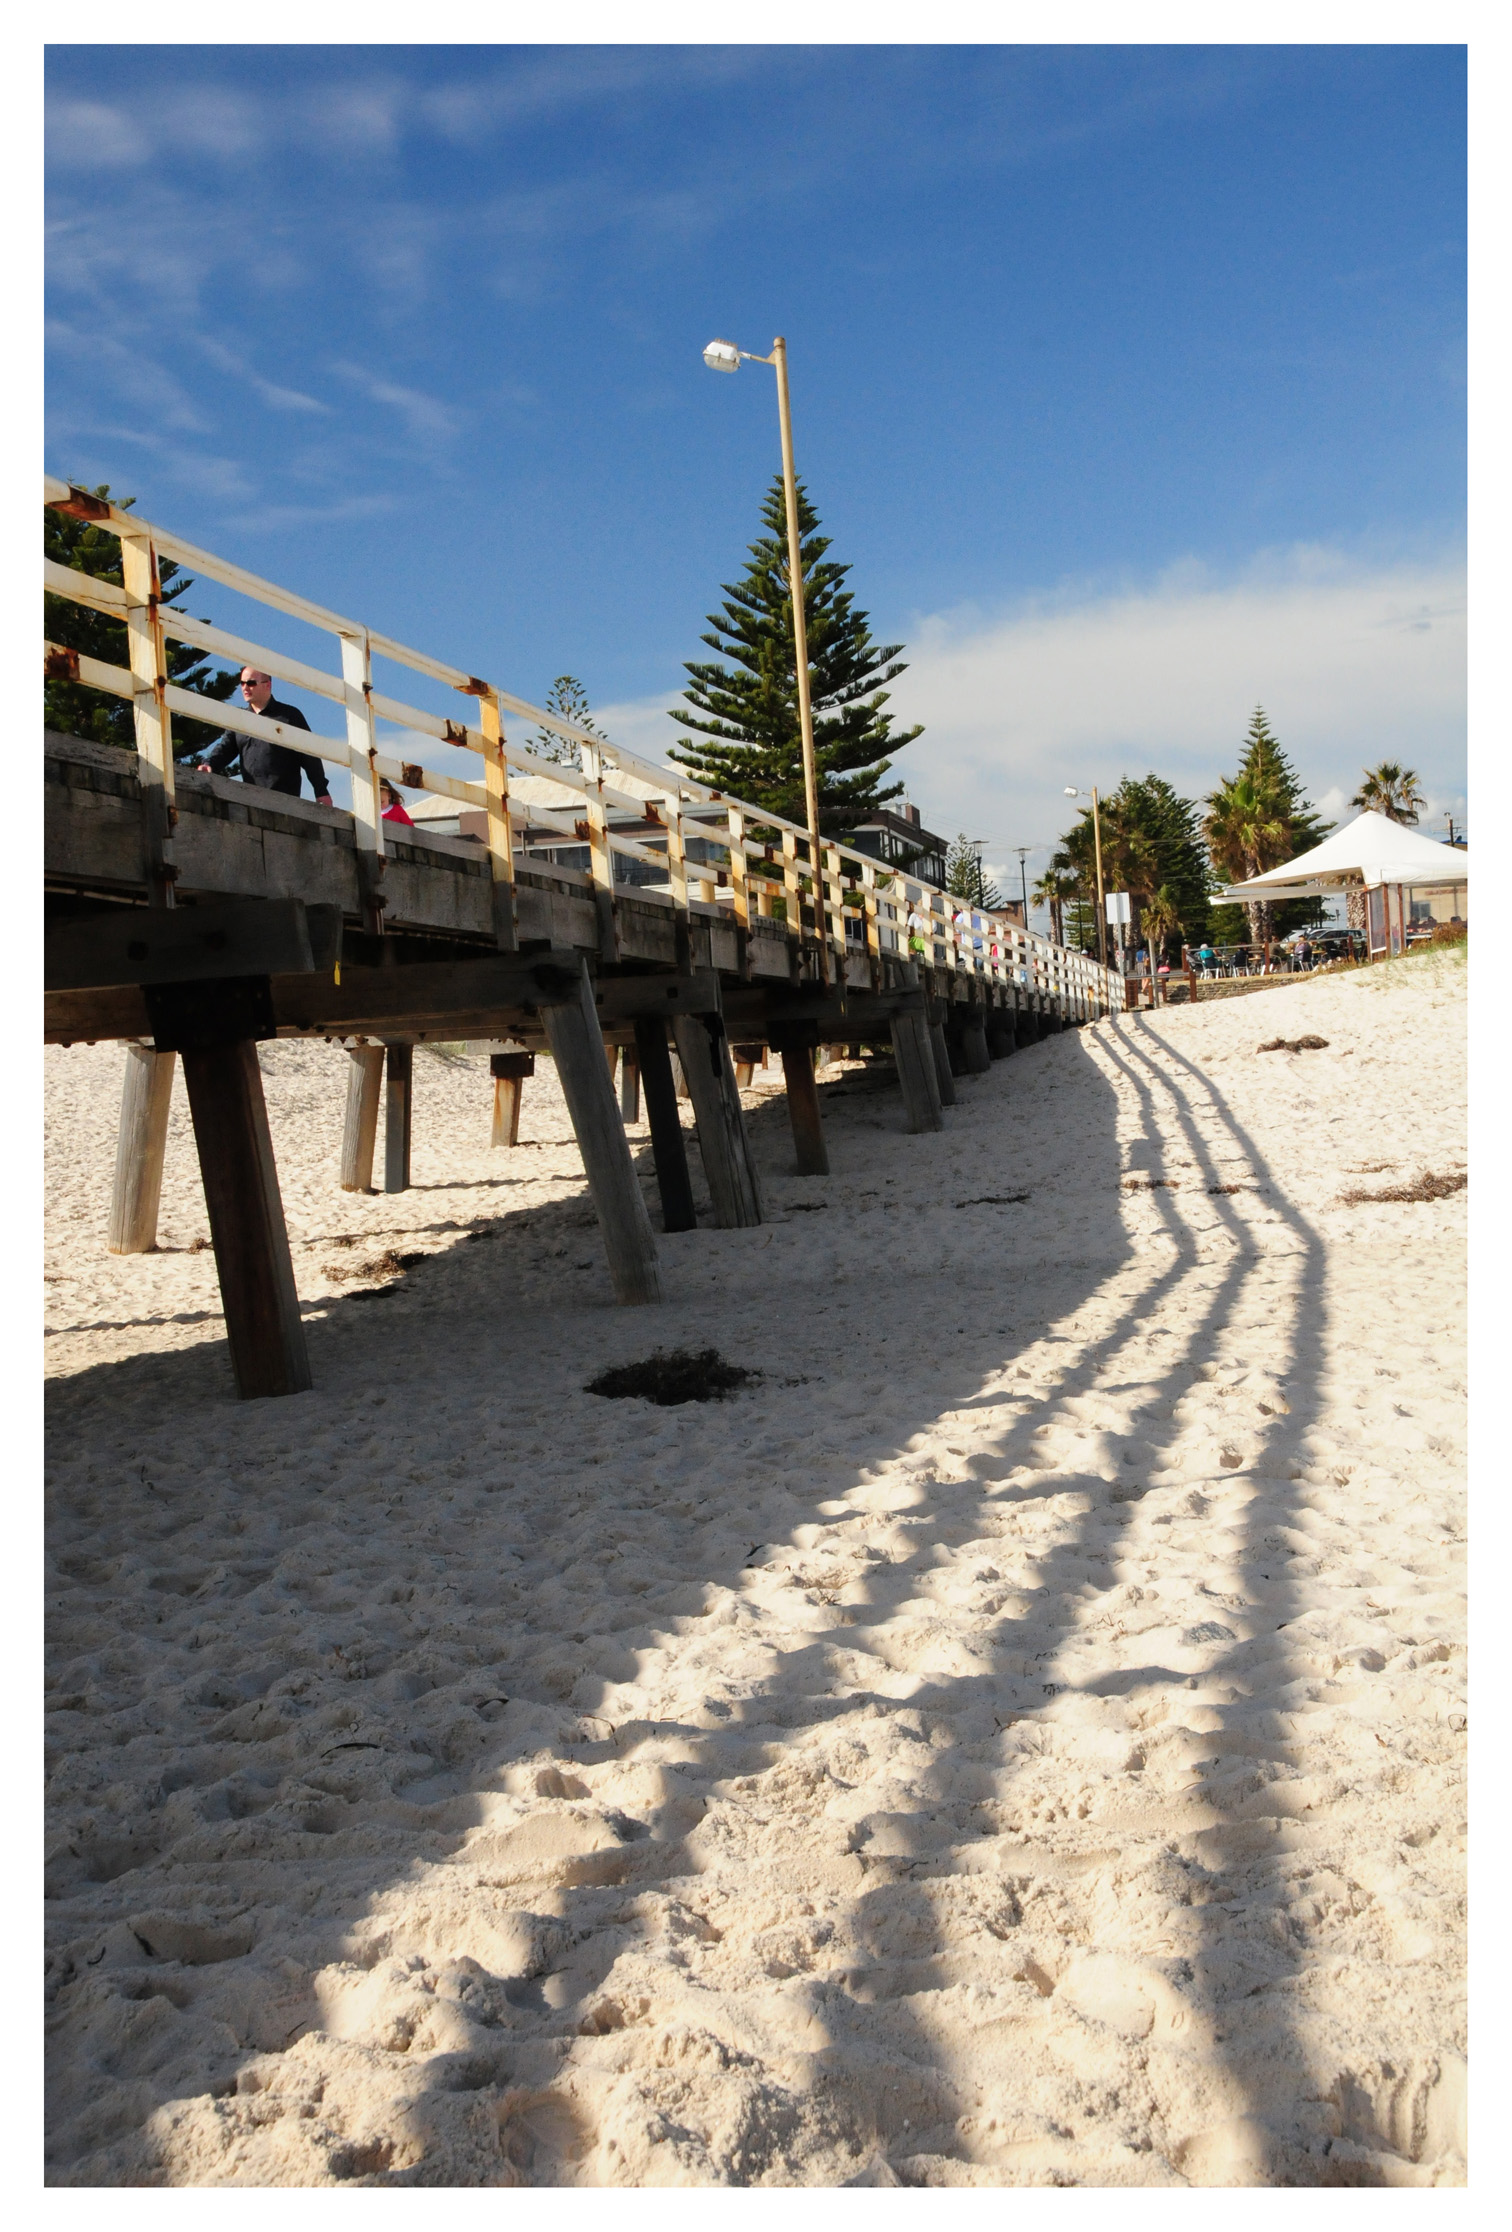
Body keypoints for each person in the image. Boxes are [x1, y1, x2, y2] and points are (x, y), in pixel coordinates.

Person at [192, 667, 331, 803]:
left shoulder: (290, 716)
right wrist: (209, 764)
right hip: (250, 801)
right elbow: (225, 749)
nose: (245, 688)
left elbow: (309, 756)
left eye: (251, 683)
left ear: (267, 685)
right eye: (242, 683)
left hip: (285, 802)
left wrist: (321, 791)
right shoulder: (239, 719)